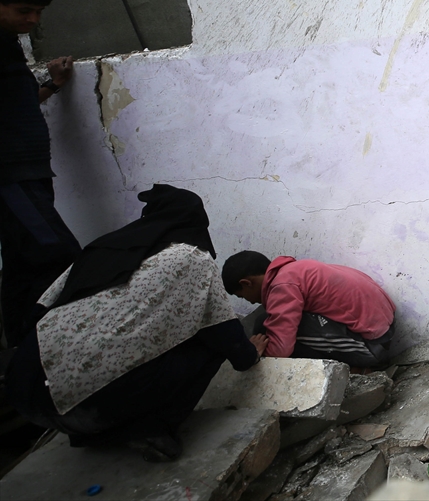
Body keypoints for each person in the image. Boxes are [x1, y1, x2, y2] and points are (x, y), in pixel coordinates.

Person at [4, 185, 260, 462]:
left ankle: (93, 433)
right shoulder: (191, 257)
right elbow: (227, 335)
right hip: (87, 408)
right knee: (209, 343)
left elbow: (40, 309)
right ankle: (150, 428)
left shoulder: (104, 247)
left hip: (23, 390)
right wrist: (250, 354)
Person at [0, 0, 81, 347]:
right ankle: (45, 347)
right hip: (10, 175)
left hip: (30, 171)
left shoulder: (8, 44)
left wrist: (52, 85)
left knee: (22, 262)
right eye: (24, 11)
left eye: (38, 13)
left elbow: (17, 105)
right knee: (58, 252)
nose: (32, 20)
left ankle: (20, 351)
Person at [222, 251, 396, 368]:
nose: (250, 302)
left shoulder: (282, 286)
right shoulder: (296, 269)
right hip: (385, 332)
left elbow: (280, 351)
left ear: (246, 283)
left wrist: (254, 353)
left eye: (243, 296)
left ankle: (355, 371)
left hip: (372, 347)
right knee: (265, 323)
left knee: (270, 335)